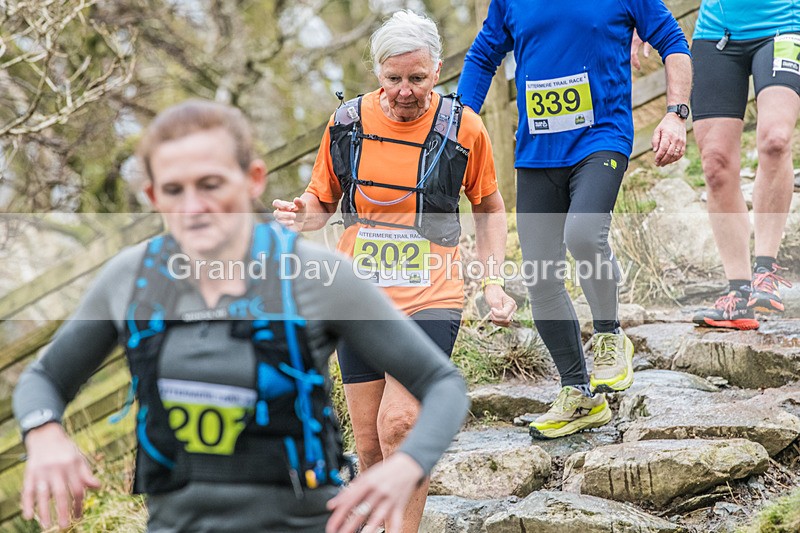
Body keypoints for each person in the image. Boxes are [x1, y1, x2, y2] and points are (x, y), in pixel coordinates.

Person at [12, 100, 469, 533]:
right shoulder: (130, 280)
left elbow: (443, 385)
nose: (194, 206)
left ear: (252, 179)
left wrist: (407, 465)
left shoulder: (315, 276)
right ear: (152, 194)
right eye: (174, 189)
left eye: (211, 184)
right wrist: (44, 431)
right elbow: (44, 380)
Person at [273, 10, 515, 532]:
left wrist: (493, 281)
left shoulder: (463, 128)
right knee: (367, 443)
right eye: (393, 79)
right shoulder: (346, 125)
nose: (405, 92)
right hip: (357, 298)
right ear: (376, 72)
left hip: (432, 293)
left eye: (418, 79)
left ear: (438, 69)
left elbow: (490, 207)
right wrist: (299, 215)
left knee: (400, 424)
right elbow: (322, 200)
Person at [457, 0, 692, 439]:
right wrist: (460, 121)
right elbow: (483, 55)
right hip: (536, 152)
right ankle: (578, 394)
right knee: (542, 274)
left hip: (601, 138)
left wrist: (676, 113)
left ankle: (608, 334)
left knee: (583, 234)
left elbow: (674, 42)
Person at [689, 0, 799, 330]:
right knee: (715, 164)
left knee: (775, 139)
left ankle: (765, 270)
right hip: (715, 35)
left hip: (785, 26)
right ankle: (737, 295)